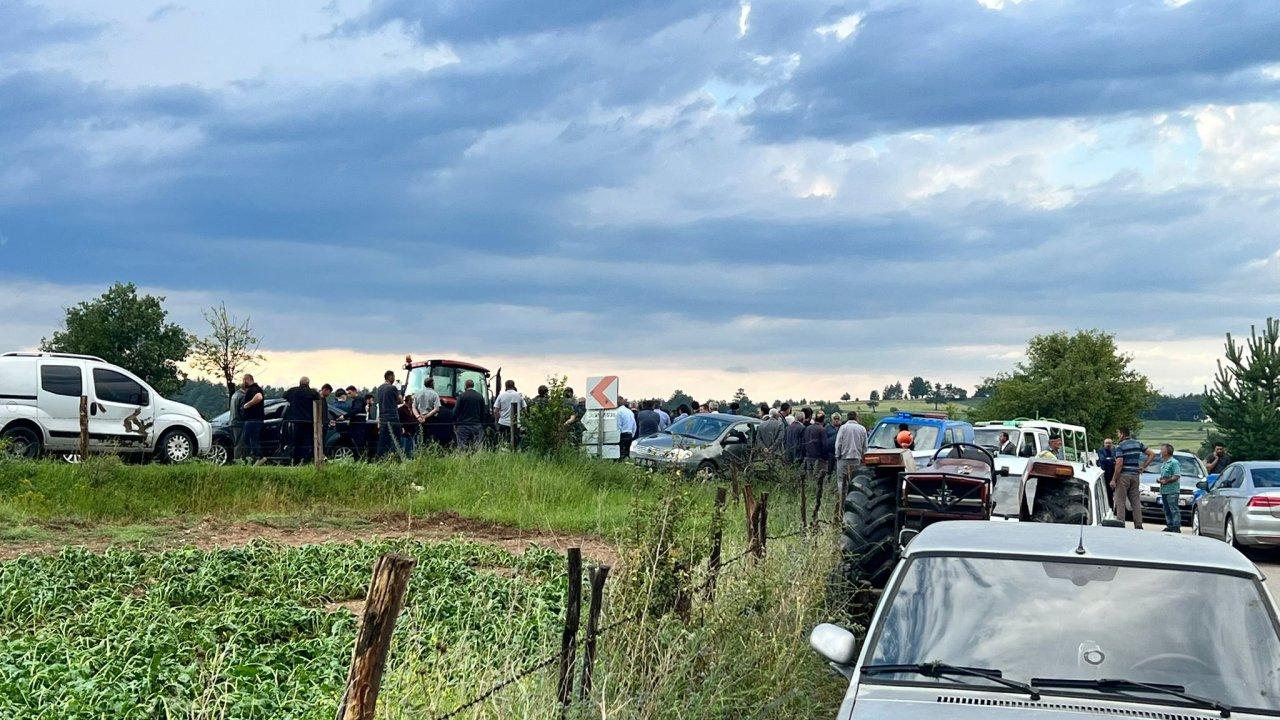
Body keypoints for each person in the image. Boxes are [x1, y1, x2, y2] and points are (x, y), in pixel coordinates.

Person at [1113, 426, 1156, 529]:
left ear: (1122, 434)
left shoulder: (1120, 446)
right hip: (1135, 475)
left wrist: (1114, 479)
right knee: (1135, 501)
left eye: (1118, 434)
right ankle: (1138, 524)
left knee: (1121, 501)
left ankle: (1120, 523)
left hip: (1124, 476)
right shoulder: (1138, 443)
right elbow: (1152, 454)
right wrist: (1143, 467)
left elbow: (1119, 463)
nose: (1117, 436)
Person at [282, 377, 320, 464]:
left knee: (296, 442)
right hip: (309, 422)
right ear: (308, 383)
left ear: (299, 382)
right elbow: (318, 403)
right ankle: (306, 460)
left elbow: (284, 396)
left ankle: (296, 461)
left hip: (296, 421)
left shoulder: (293, 391)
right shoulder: (313, 393)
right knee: (308, 441)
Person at [374, 370, 402, 458]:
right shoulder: (392, 388)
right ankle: (396, 458)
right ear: (390, 377)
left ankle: (381, 458)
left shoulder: (379, 388)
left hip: (383, 417)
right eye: (393, 377)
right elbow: (400, 400)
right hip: (392, 416)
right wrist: (399, 389)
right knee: (396, 439)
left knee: (383, 440)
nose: (394, 379)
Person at [453, 379, 487, 449]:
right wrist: (482, 425)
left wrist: (454, 423)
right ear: (473, 386)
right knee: (478, 446)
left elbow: (456, 411)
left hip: (463, 426)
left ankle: (464, 459)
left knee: (462, 446)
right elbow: (483, 412)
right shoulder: (480, 396)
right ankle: (476, 459)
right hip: (476, 425)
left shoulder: (462, 396)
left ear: (465, 386)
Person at [835, 411, 868, 482]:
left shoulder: (843, 428)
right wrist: (863, 457)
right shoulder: (862, 429)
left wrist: (837, 455)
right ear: (856, 418)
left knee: (842, 479)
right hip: (857, 458)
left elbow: (838, 443)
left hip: (844, 457)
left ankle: (842, 492)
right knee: (856, 479)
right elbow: (865, 446)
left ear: (847, 418)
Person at [1156, 443, 1182, 533]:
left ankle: (1176, 526)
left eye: (1162, 449)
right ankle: (1169, 525)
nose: (1160, 451)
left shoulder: (1174, 462)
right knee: (1166, 509)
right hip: (1164, 490)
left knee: (1173, 508)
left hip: (1172, 490)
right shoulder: (1164, 463)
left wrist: (1166, 481)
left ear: (1166, 452)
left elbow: (1176, 475)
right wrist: (1160, 479)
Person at [240, 374, 266, 463]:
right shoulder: (254, 389)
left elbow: (259, 397)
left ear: (247, 380)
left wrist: (247, 405)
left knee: (249, 439)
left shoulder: (254, 389)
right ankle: (255, 457)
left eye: (243, 380)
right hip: (254, 419)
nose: (243, 383)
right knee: (252, 439)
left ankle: (258, 457)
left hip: (253, 420)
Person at [493, 380, 526, 447]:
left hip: (503, 423)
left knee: (503, 443)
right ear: (514, 386)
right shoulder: (519, 395)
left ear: (505, 386)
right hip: (516, 424)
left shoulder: (501, 396)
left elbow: (496, 411)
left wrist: (497, 420)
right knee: (515, 443)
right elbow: (525, 409)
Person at [413, 378, 441, 447]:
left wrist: (418, 417)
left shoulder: (417, 393)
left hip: (420, 419)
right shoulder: (435, 394)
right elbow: (437, 409)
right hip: (430, 419)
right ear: (432, 384)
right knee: (430, 439)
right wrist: (426, 416)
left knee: (419, 438)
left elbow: (413, 407)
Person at [1097, 438, 1117, 509]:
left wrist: (1109, 459)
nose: (1108, 444)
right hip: (1104, 473)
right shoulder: (1100, 451)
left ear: (1112, 444)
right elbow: (1102, 459)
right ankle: (1106, 507)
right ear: (1104, 444)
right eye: (1106, 443)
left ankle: (1111, 507)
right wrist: (1111, 460)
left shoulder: (1115, 451)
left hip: (1113, 473)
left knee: (1111, 492)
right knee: (1105, 491)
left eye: (1109, 443)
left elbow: (1116, 459)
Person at [229, 382, 246, 461]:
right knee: (240, 443)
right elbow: (242, 410)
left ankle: (236, 458)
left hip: (233, 421)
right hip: (239, 422)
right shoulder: (243, 396)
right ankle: (238, 459)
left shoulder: (235, 395)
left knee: (236, 442)